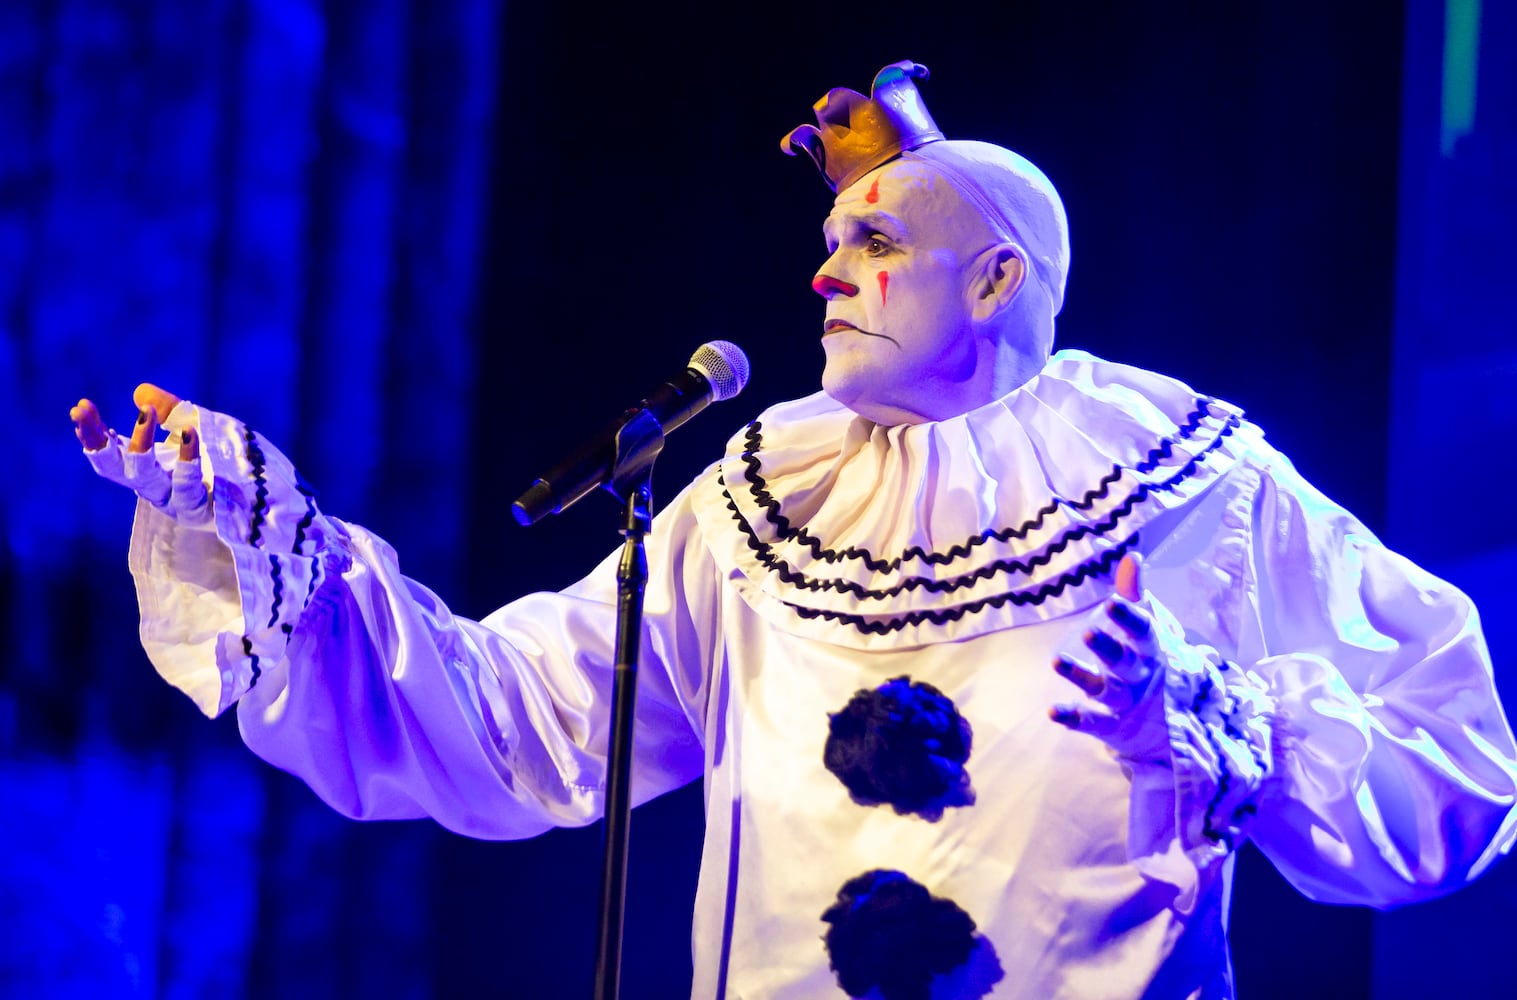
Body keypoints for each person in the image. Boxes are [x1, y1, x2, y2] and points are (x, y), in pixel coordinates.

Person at [70, 61, 1517, 1000]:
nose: (828, 273)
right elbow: (521, 722)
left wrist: (1207, 724)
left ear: (999, 281)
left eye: (875, 244)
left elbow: (1451, 769)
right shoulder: (769, 491)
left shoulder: (1178, 476)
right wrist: (267, 541)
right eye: (830, 246)